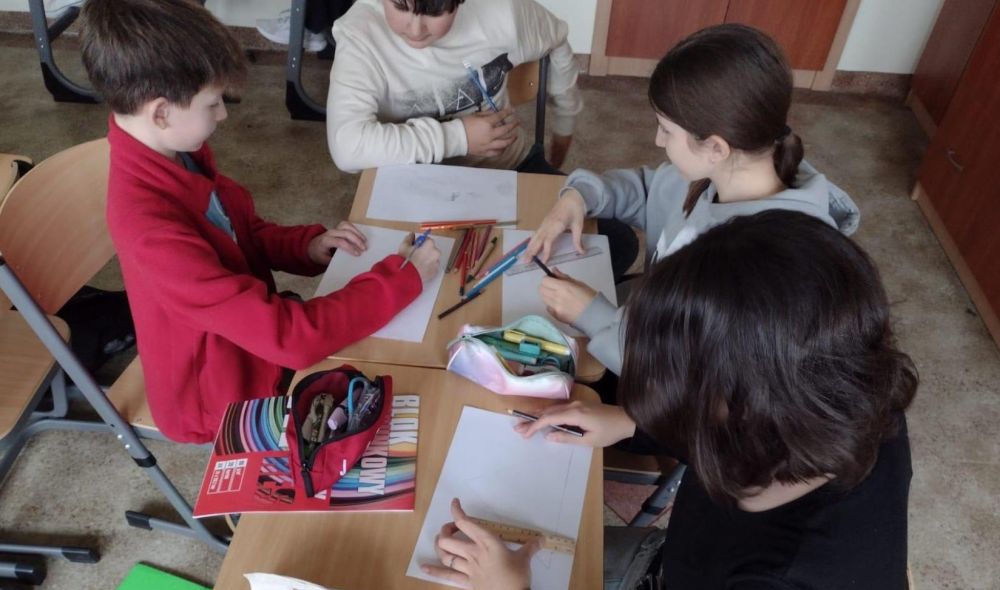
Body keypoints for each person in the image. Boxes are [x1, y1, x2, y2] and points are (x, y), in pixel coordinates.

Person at [424, 211, 918, 590]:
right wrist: (630, 424)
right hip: (667, 584)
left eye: (683, 409)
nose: (673, 419)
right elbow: (731, 420)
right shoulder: (847, 399)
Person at [80, 0, 440, 444]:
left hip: (247, 345)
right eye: (213, 103)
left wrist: (305, 246)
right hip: (223, 398)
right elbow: (290, 338)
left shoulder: (173, 152)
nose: (223, 114)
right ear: (161, 112)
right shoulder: (150, 229)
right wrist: (401, 281)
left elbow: (238, 232)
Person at [525, 24, 860, 375]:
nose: (657, 141)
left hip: (649, 367)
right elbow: (648, 191)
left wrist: (591, 315)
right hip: (639, 320)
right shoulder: (722, 173)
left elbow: (679, 374)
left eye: (666, 130)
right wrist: (579, 196)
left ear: (716, 147)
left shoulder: (756, 276)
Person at [326, 0, 639, 279]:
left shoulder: (502, 12)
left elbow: (556, 37)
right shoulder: (361, 30)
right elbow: (347, 148)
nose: (416, 29)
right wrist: (459, 136)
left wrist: (565, 121)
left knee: (615, 242)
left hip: (510, 169)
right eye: (400, 6)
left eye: (435, 10)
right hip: (412, 184)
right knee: (384, 285)